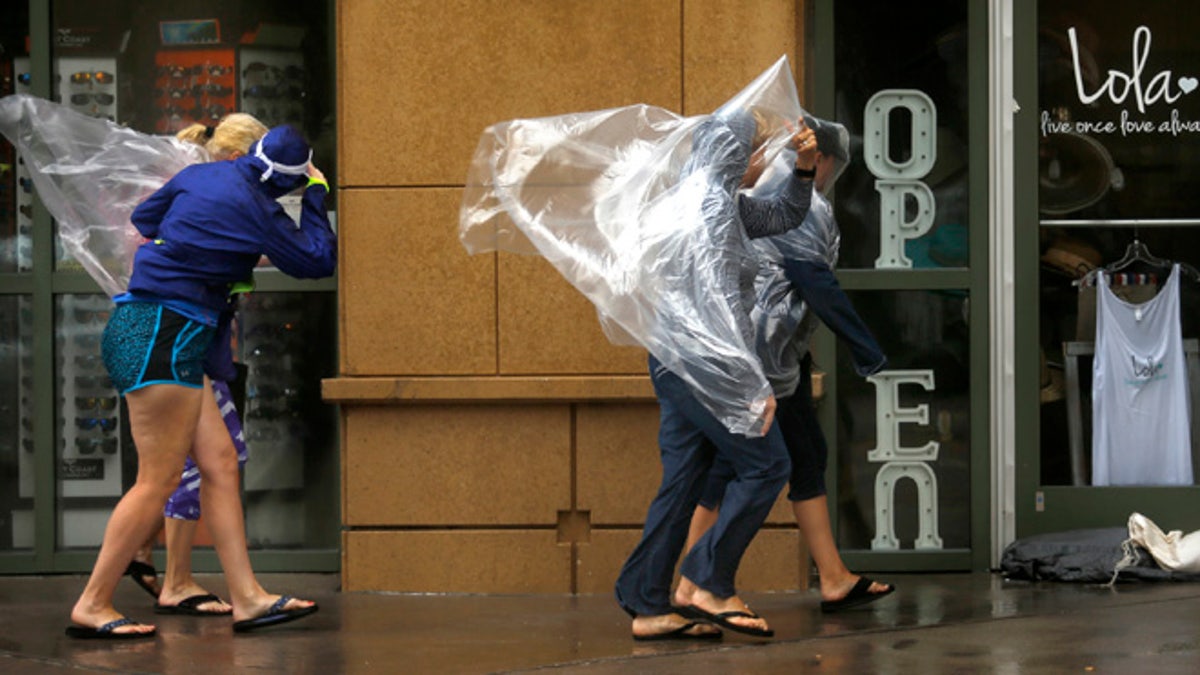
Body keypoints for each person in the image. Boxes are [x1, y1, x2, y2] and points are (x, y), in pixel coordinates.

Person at [66, 124, 336, 639]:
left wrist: (202, 247)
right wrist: (317, 193)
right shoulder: (262, 209)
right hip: (162, 333)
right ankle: (93, 603)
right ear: (290, 181)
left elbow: (146, 218)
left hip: (160, 330)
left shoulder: (201, 175)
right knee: (159, 479)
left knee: (218, 463)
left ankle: (249, 599)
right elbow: (318, 258)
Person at [614, 110, 819, 641]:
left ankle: (648, 603)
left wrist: (803, 170)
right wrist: (751, 385)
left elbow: (780, 218)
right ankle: (706, 582)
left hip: (677, 360)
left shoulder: (711, 201)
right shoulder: (711, 210)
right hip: (706, 364)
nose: (763, 161)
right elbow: (721, 304)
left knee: (682, 483)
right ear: (734, 154)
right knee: (768, 466)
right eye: (759, 151)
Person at [682, 115, 894, 614]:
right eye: (831, 165)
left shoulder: (762, 199)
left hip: (775, 356)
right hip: (761, 358)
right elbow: (814, 281)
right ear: (821, 158)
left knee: (802, 454)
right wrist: (867, 348)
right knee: (747, 466)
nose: (829, 176)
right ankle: (696, 582)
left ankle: (832, 576)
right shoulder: (773, 205)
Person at [122, 117, 268, 618]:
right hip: (182, 344)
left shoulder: (189, 192)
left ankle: (158, 567)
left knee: (206, 461)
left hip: (189, 345)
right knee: (194, 466)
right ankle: (169, 577)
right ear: (235, 160)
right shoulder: (207, 198)